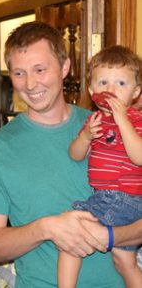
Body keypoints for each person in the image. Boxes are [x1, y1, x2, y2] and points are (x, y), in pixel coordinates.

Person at [0, 21, 124, 287]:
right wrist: (47, 228)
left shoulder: (111, 129)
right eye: (18, 73)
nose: (29, 84)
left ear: (64, 67)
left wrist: (109, 235)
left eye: (40, 70)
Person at [57, 45, 142, 288]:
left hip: (119, 198)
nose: (111, 90)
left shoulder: (136, 120)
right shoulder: (94, 121)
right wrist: (85, 137)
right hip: (115, 200)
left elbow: (138, 157)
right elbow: (75, 155)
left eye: (121, 84)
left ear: (136, 92)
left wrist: (122, 119)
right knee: (125, 263)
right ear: (92, 90)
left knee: (71, 236)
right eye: (103, 82)